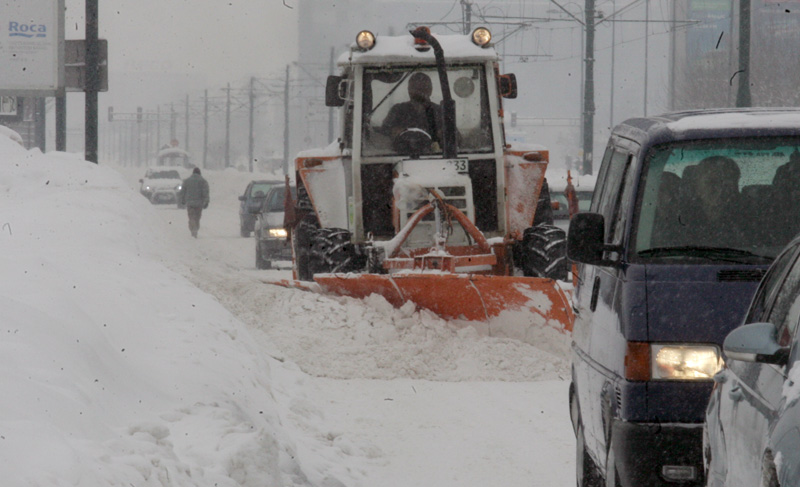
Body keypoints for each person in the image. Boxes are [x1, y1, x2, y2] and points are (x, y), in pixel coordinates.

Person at [381, 72, 442, 151]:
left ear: (430, 90)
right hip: (398, 156)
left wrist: (442, 134)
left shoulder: (440, 111)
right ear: (408, 90)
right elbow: (382, 135)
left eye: (423, 88)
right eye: (415, 88)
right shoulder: (397, 110)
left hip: (434, 158)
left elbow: (455, 139)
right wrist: (393, 132)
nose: (419, 92)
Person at [178, 167, 210, 238]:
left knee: (191, 217)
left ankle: (193, 228)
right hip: (199, 203)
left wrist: (182, 200)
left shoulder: (187, 181)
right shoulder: (203, 181)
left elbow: (182, 192)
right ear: (199, 173)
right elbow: (205, 192)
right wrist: (206, 201)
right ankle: (196, 228)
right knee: (197, 217)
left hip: (190, 203)